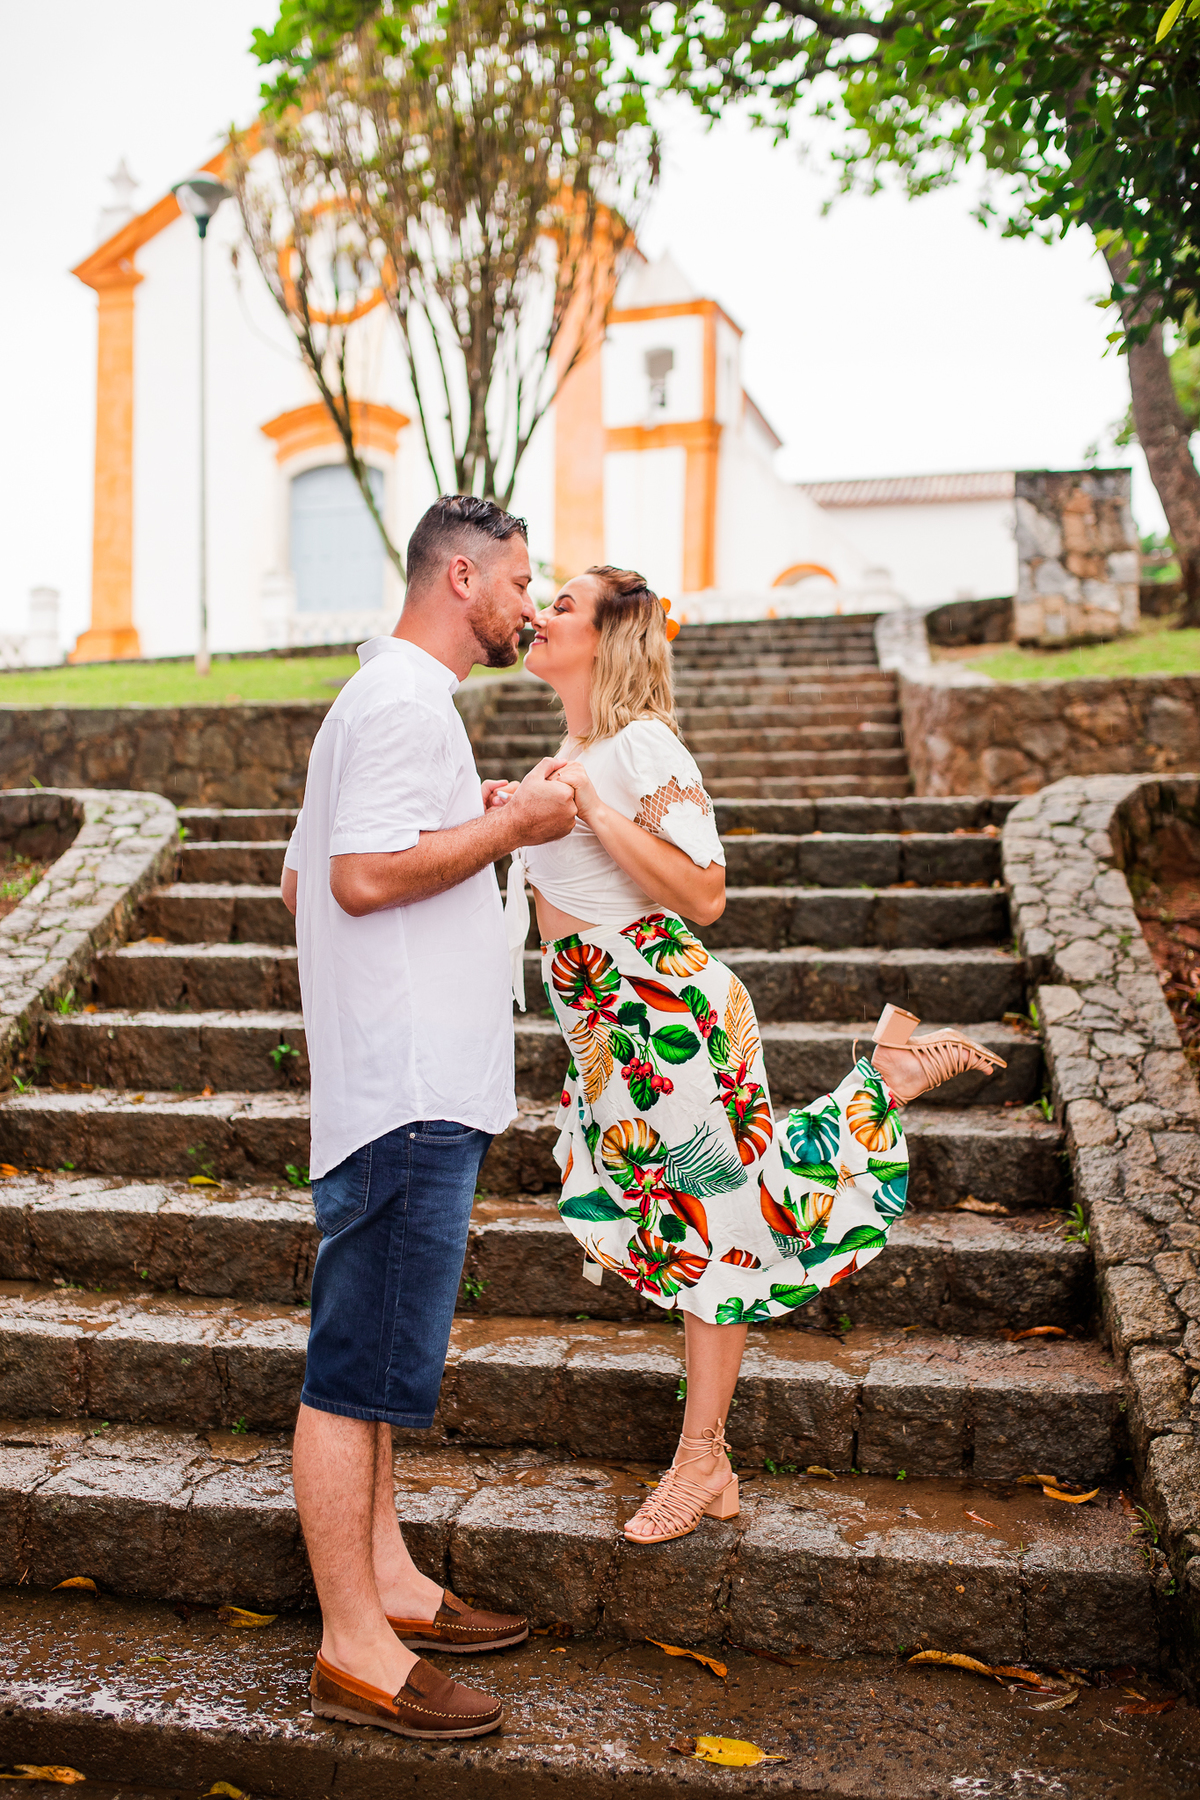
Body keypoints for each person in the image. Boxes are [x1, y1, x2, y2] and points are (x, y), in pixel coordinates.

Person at [502, 565, 1005, 1548]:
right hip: (613, 1029)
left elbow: (705, 892)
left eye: (563, 604)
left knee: (716, 1230)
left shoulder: (640, 744)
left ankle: (702, 1462)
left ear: (608, 637)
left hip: (668, 1013)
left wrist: (589, 809)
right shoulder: (574, 748)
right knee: (693, 1219)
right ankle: (885, 1077)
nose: (542, 614)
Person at [280, 495, 577, 1740]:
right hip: (405, 1089)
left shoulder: (381, 700)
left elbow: (301, 879)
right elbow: (355, 880)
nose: (528, 605)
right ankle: (355, 1648)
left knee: (382, 1364)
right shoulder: (404, 703)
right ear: (461, 577)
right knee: (355, 1372)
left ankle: (392, 1585)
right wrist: (511, 825)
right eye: (519, 581)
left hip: (398, 1082)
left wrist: (473, 824)